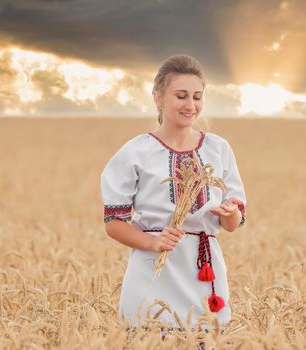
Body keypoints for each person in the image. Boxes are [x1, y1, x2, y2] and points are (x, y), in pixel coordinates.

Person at [100, 54, 247, 334]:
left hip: (204, 271)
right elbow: (113, 223)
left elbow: (232, 224)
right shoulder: (135, 151)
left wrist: (230, 212)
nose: (190, 105)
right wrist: (153, 242)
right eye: (181, 96)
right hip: (152, 272)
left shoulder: (219, 148)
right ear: (158, 97)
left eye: (197, 97)